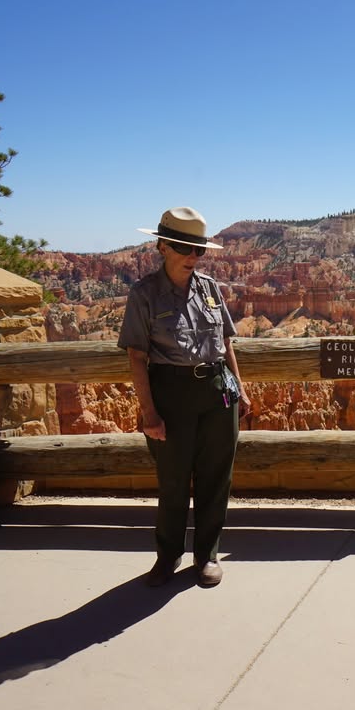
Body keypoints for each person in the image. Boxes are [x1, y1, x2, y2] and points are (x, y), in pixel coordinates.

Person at [117, 207, 251, 588]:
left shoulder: (210, 288)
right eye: (184, 247)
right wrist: (149, 412)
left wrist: (239, 388)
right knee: (173, 480)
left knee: (215, 478)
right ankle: (167, 556)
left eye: (199, 250)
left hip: (216, 391)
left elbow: (226, 344)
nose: (192, 256)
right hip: (170, 394)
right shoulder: (144, 294)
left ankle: (207, 555)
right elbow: (137, 357)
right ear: (162, 246)